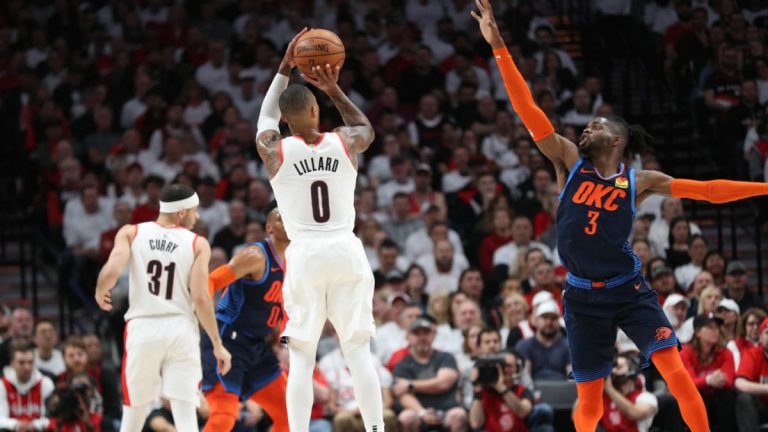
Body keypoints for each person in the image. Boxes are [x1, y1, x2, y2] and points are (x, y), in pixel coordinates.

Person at [471, 2, 768, 431]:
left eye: (595, 125)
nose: (585, 129)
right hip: (581, 297)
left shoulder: (638, 181)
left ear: (616, 139)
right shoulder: (568, 161)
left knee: (676, 374)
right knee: (590, 403)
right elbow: (527, 109)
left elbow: (707, 191)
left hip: (628, 289)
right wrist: (499, 46)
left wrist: (764, 188)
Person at [255, 28, 384, 432]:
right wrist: (333, 89)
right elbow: (365, 127)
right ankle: (376, 429)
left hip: (305, 254)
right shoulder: (343, 141)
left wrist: (284, 67)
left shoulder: (274, 151)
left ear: (286, 120)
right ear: (315, 111)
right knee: (358, 351)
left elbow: (264, 119)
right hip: (345, 249)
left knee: (302, 356)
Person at [94, 183, 232, 432]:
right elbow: (201, 298)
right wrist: (217, 343)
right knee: (186, 415)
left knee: (133, 412)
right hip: (181, 328)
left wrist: (100, 288)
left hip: (143, 328)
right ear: (182, 212)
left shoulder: (131, 232)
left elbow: (112, 271)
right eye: (195, 211)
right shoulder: (198, 243)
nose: (197, 217)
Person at [201, 201, 290, 432]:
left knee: (291, 415)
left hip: (257, 346)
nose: (289, 221)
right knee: (223, 417)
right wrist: (204, 317)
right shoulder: (256, 256)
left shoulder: (296, 262)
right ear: (269, 228)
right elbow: (211, 281)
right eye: (281, 218)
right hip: (227, 339)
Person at [0, 341, 55, 431]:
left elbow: (51, 418)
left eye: (30, 362)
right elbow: (1, 418)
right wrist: (16, 425)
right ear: (12, 363)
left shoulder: (45, 383)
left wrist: (34, 425)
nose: (27, 367)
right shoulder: (2, 385)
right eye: (21, 363)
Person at [599, 353, 658, 432]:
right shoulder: (604, 397)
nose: (613, 371)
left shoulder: (646, 398)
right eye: (612, 367)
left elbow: (634, 414)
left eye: (618, 367)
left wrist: (610, 390)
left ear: (632, 369)